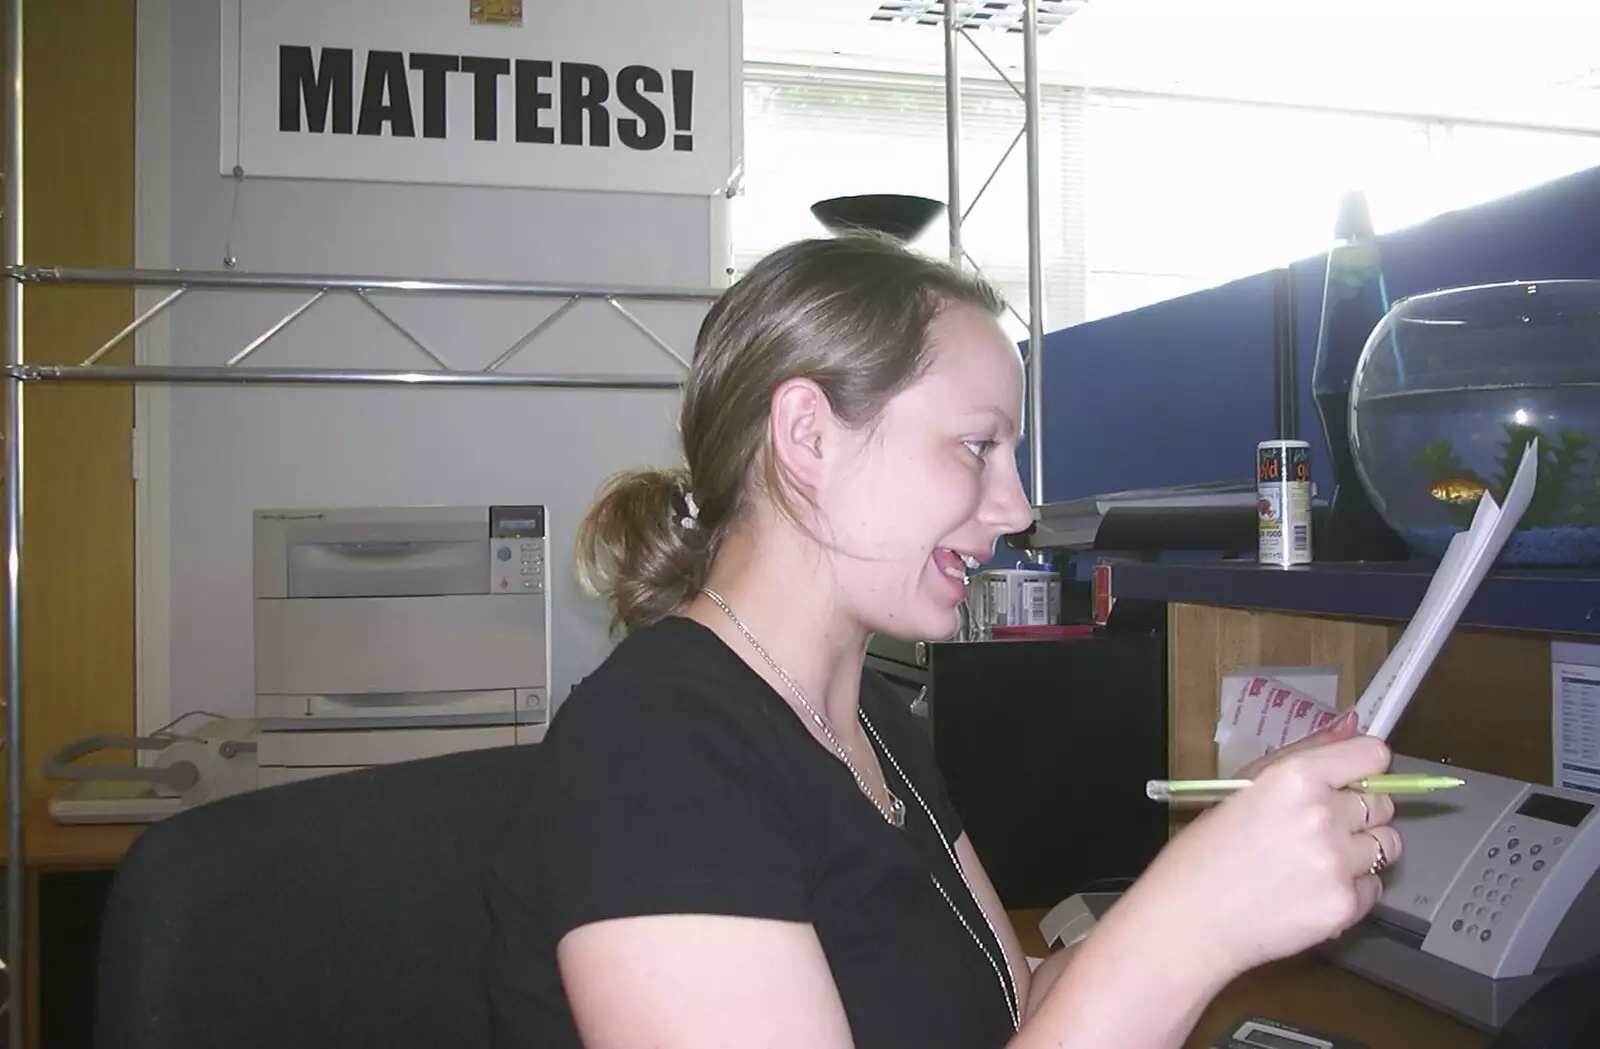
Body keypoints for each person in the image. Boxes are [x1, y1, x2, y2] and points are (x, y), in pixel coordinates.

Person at [482, 233, 1402, 1049]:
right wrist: (1191, 924)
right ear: (808, 434)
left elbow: (1018, 1002)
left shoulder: (870, 719)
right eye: (976, 446)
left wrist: (1232, 875)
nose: (1018, 507)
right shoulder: (654, 754)